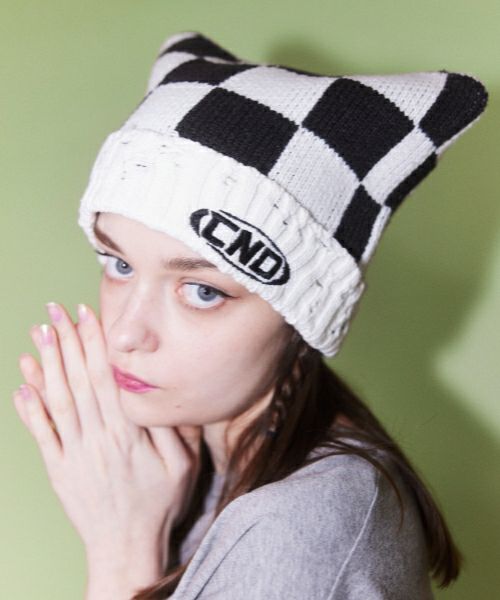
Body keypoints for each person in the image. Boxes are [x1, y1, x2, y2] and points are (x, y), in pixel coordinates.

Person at [13, 31, 488, 599]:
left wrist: (122, 552)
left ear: (302, 316)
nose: (124, 333)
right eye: (119, 264)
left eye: (202, 291)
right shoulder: (202, 458)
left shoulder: (293, 528)